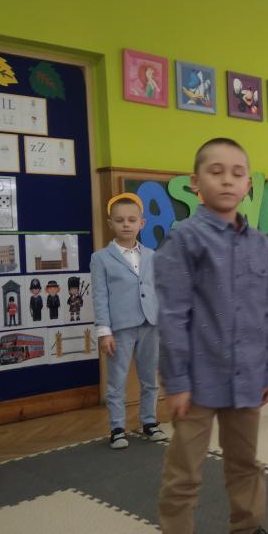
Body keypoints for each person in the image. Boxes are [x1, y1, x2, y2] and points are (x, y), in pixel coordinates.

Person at [154, 138, 268, 534]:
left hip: (247, 376)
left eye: (237, 172)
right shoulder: (183, 240)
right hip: (197, 381)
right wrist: (176, 381)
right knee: (184, 475)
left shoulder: (258, 243)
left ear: (248, 183)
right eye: (216, 171)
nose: (227, 180)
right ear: (196, 182)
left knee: (245, 463)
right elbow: (172, 315)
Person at [90, 192, 166, 449]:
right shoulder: (101, 258)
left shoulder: (152, 255)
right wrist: (104, 331)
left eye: (132, 220)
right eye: (120, 220)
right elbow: (100, 295)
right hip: (120, 327)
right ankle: (117, 428)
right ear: (110, 223)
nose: (126, 224)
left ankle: (150, 422)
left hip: (150, 324)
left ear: (141, 223)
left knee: (149, 378)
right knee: (117, 379)